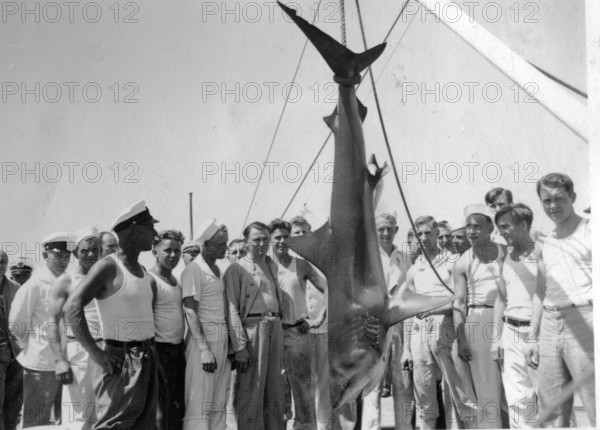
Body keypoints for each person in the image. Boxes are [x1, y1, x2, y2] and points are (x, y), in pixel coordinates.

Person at [64, 200, 159, 430]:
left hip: (147, 356)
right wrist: (96, 353)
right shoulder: (108, 267)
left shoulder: (144, 272)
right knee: (113, 425)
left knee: (144, 425)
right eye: (149, 228)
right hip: (121, 359)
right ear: (134, 231)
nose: (154, 234)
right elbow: (72, 307)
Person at [526, 173, 595, 427]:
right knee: (551, 408)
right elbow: (539, 291)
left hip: (585, 317)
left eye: (559, 199)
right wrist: (532, 336)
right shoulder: (547, 242)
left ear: (573, 197)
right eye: (546, 200)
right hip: (550, 324)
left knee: (594, 401)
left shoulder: (591, 230)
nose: (552, 206)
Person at [403, 216, 477, 429]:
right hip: (419, 333)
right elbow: (408, 311)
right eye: (420, 234)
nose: (424, 238)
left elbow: (462, 300)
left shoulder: (452, 262)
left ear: (437, 233)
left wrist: (435, 309)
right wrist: (406, 349)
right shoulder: (414, 269)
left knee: (458, 392)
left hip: (446, 330)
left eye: (428, 232)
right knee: (424, 394)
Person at [224, 221, 285, 430]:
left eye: (265, 240)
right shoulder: (236, 269)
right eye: (256, 240)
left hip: (275, 327)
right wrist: (240, 347)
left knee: (275, 390)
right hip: (252, 330)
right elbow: (231, 309)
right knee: (252, 390)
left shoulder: (271, 264)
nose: (261, 244)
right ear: (246, 242)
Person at [10, 232, 71, 427]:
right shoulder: (35, 284)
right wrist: (33, 348)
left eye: (66, 256)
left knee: (67, 419)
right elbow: (17, 323)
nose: (62, 260)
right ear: (45, 256)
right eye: (57, 255)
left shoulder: (71, 282)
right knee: (37, 421)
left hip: (69, 360)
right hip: (41, 364)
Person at [269, 218, 326, 430]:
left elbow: (329, 288)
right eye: (277, 238)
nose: (282, 241)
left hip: (297, 334)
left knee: (303, 389)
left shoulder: (301, 265)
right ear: (269, 240)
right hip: (273, 334)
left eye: (286, 237)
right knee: (278, 388)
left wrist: (317, 318)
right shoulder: (265, 265)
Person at [453, 204, 506, 429]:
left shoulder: (506, 252)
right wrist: (461, 338)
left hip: (507, 317)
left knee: (515, 385)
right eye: (468, 227)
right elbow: (458, 302)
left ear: (490, 227)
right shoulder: (463, 261)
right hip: (476, 321)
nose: (472, 232)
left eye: (477, 226)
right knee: (486, 390)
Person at [47, 227, 102, 430]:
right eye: (85, 250)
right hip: (79, 353)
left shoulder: (107, 277)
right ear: (75, 252)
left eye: (95, 249)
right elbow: (52, 322)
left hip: (107, 351)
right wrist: (59, 360)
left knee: (105, 414)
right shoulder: (66, 281)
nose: (90, 254)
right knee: (79, 418)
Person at [490, 204, 539, 428]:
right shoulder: (508, 258)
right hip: (510, 332)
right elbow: (501, 299)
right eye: (499, 228)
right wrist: (496, 338)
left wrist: (533, 336)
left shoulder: (543, 255)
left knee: (544, 397)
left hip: (537, 333)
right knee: (517, 399)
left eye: (506, 227)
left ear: (523, 225)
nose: (502, 233)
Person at [181, 220, 231, 430]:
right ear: (206, 245)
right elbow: (190, 310)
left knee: (218, 405)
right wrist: (204, 349)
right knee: (199, 406)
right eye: (220, 245)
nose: (225, 248)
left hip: (221, 338)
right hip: (204, 340)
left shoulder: (218, 270)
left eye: (225, 243)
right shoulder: (194, 269)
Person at [369, 213, 414, 430]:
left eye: (390, 229)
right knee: (372, 384)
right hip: (372, 325)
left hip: (399, 324)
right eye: (381, 229)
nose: (386, 233)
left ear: (396, 230)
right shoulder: (366, 256)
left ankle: (404, 426)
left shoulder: (405, 258)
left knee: (402, 380)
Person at [150, 230, 186, 430]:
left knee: (177, 406)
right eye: (168, 250)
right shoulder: (151, 280)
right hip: (160, 352)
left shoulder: (176, 281)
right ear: (155, 251)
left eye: (177, 251)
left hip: (178, 350)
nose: (173, 255)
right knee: (160, 411)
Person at [0, 251, 23, 430]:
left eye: (3, 262)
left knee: (14, 401)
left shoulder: (15, 288)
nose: (0, 265)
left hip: (15, 353)